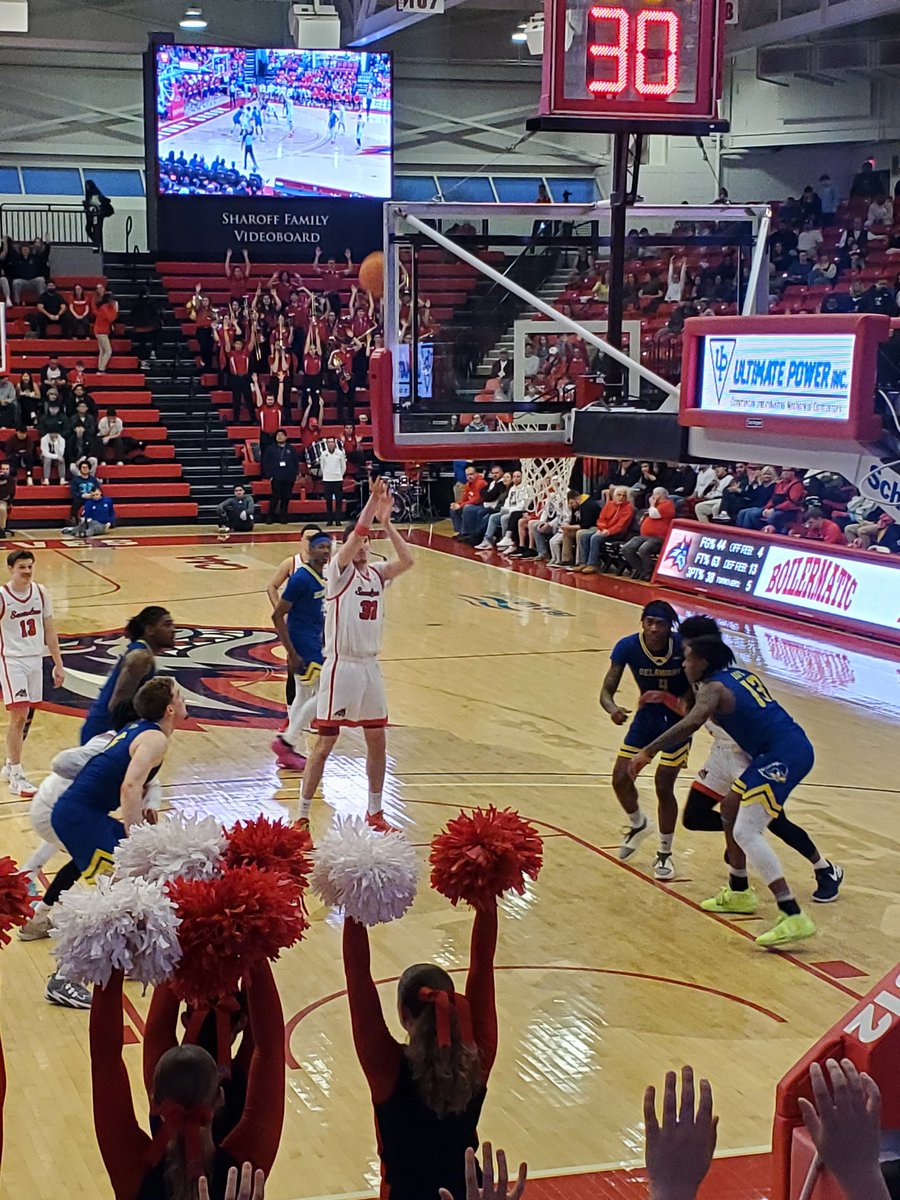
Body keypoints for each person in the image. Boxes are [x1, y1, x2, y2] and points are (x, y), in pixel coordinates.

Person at [627, 629, 819, 947]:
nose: (683, 664)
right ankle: (739, 890)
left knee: (746, 831)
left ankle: (792, 913)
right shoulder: (737, 676)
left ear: (703, 662)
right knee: (729, 808)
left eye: (688, 659)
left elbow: (691, 723)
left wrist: (648, 751)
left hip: (784, 755)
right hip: (775, 749)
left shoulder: (713, 688)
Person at [342, 890, 498, 1200]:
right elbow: (483, 965)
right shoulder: (477, 1058)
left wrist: (356, 891)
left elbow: (357, 976)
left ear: (403, 1014)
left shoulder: (385, 1067)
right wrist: (487, 891)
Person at [89, 957, 283, 1200]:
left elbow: (104, 1060)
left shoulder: (133, 1174)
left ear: (155, 1099)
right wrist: (254, 950)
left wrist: (112, 954)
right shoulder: (244, 1169)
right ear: (219, 1098)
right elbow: (270, 1048)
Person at [298, 479, 414, 833]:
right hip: (341, 666)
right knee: (325, 743)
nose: (362, 546)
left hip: (369, 667)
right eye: (357, 542)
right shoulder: (337, 571)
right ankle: (301, 815)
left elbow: (408, 560)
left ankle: (375, 812)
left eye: (366, 543)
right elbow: (357, 532)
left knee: (377, 739)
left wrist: (387, 524)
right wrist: (372, 504)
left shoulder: (377, 574)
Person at [51, 676, 184, 884]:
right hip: (78, 816)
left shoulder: (138, 729)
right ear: (170, 709)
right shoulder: (154, 738)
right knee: (123, 886)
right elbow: (129, 786)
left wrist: (146, 806)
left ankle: (46, 906)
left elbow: (134, 781)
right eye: (179, 696)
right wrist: (138, 840)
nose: (183, 699)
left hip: (85, 813)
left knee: (147, 869)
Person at [599, 600, 691, 881]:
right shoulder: (627, 646)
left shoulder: (684, 646)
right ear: (642, 622)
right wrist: (613, 709)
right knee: (620, 778)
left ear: (669, 627)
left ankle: (664, 852)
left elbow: (698, 691)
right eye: (649, 622)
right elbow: (606, 691)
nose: (653, 628)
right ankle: (639, 824)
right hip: (647, 720)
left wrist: (672, 700)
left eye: (660, 624)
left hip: (679, 722)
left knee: (664, 784)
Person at [0, 549, 65, 797]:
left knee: (26, 717)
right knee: (18, 716)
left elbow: (50, 630)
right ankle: (16, 775)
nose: (27, 571)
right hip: (11, 661)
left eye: (30, 566)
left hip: (35, 659)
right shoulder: (2, 597)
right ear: (10, 569)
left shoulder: (40, 592)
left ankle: (9, 764)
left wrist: (58, 663)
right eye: (22, 567)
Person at [271, 531, 332, 777]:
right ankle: (286, 741)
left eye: (328, 547)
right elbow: (277, 615)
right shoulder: (300, 578)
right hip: (303, 645)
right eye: (321, 547)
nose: (325, 551)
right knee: (327, 692)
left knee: (303, 694)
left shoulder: (321, 576)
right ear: (310, 549)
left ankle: (287, 748)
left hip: (313, 641)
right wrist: (291, 651)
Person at [82, 606, 175, 743]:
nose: (173, 629)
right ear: (150, 629)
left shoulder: (141, 652)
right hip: (104, 731)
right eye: (167, 625)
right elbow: (117, 705)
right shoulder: (140, 657)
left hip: (106, 728)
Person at [262, 429, 299, 524]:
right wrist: (269, 475)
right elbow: (265, 462)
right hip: (276, 477)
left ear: (286, 437)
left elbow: (295, 463)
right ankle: (270, 517)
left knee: (286, 498)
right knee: (275, 497)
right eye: (278, 435)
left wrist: (294, 475)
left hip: (288, 477)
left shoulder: (291, 449)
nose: (279, 437)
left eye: (282, 435)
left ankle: (283, 517)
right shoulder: (270, 449)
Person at [318, 436, 347, 526]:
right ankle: (329, 520)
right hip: (327, 480)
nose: (330, 444)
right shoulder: (323, 454)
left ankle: (338, 520)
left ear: (335, 443)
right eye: (329, 442)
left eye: (332, 442)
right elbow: (322, 466)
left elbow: (343, 466)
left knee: (338, 501)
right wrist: (326, 475)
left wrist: (339, 475)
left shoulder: (340, 453)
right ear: (326, 444)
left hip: (337, 480)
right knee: (328, 501)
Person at [92, 289, 119, 374]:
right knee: (108, 351)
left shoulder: (104, 307)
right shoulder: (105, 308)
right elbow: (111, 318)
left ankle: (100, 369)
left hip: (100, 331)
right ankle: (101, 369)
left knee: (102, 351)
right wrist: (115, 309)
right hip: (101, 332)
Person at [83, 178, 114, 248]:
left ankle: (96, 243)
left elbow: (96, 203)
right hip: (94, 215)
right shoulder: (92, 194)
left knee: (96, 230)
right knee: (92, 229)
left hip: (97, 215)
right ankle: (97, 242)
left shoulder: (95, 195)